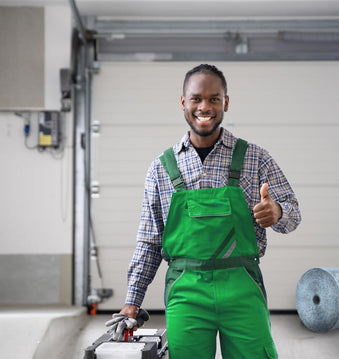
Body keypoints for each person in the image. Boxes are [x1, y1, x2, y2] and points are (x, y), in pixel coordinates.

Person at [108, 64, 301, 359]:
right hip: (187, 291)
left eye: (214, 98)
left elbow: (293, 215)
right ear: (183, 102)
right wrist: (132, 302)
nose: (204, 106)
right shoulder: (161, 168)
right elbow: (149, 243)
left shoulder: (255, 157)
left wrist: (277, 212)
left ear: (226, 102)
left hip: (242, 288)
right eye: (196, 98)